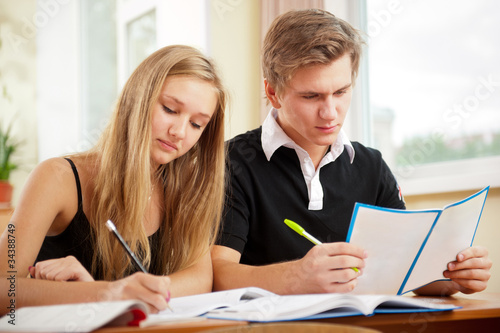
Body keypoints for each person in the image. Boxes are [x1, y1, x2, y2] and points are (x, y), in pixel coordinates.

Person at [212, 9, 491, 296]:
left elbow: (404, 270)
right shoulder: (232, 162)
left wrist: (451, 277)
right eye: (312, 96)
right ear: (273, 93)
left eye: (341, 92)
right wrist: (297, 276)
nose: (330, 113)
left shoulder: (371, 165)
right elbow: (218, 275)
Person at [0, 45, 227, 314]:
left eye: (196, 124)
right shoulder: (56, 178)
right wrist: (106, 293)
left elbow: (200, 278)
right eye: (169, 109)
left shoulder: (185, 187)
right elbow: (4, 287)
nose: (179, 132)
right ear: (137, 99)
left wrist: (126, 294)